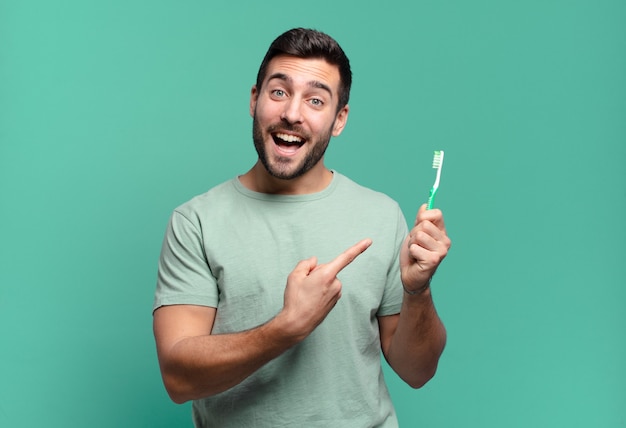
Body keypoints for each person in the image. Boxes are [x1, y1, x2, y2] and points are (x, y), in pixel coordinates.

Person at [153, 27, 451, 427]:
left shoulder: (382, 215)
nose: (292, 113)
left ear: (339, 119)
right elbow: (178, 378)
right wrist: (285, 328)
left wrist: (418, 290)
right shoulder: (196, 222)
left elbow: (418, 371)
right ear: (254, 99)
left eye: (315, 100)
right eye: (278, 92)